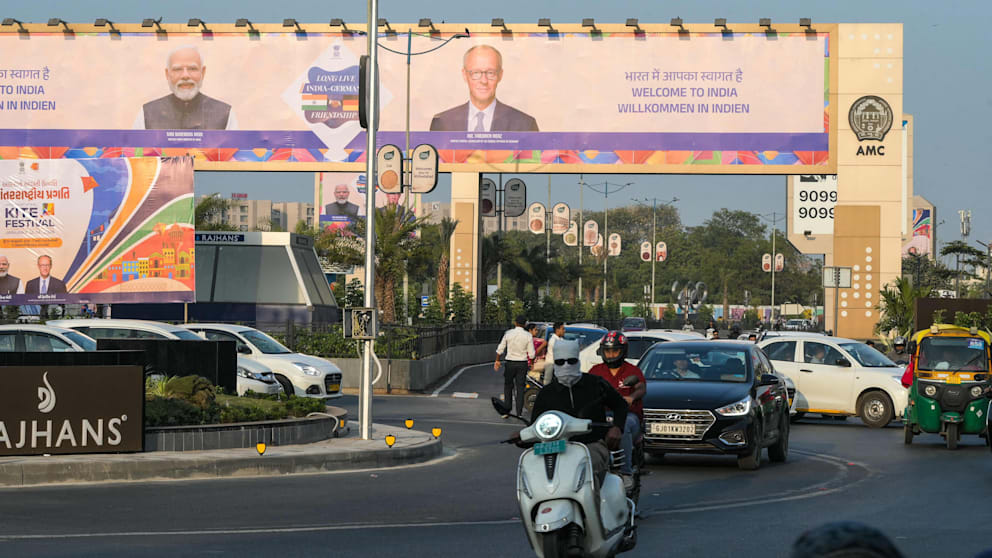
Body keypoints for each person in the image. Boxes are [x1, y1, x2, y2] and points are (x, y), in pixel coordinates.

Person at [528, 340, 627, 487]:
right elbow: (535, 426)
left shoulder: (596, 384)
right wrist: (523, 435)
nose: (566, 366)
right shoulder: (546, 393)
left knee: (588, 471)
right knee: (533, 473)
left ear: (578, 360)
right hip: (555, 448)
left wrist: (617, 427)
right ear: (555, 362)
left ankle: (594, 507)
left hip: (591, 444)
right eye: (561, 362)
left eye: (571, 361)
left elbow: (620, 405)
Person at [429, 45, 539, 132]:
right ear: (464, 75)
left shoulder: (525, 125)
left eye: (490, 73)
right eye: (476, 73)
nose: (484, 81)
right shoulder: (442, 123)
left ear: (500, 75)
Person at [589, 331, 646, 488]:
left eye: (615, 350)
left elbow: (640, 387)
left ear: (623, 351)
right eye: (607, 351)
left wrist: (631, 397)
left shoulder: (632, 371)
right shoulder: (596, 371)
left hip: (628, 415)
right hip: (602, 415)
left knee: (624, 425)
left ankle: (626, 472)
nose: (611, 354)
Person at [135, 46, 237, 130]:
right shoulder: (147, 113)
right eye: (177, 69)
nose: (185, 75)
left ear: (203, 72)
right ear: (167, 74)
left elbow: (236, 153)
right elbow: (133, 153)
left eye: (192, 69)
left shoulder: (225, 114)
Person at [494, 315, 536, 418]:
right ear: (525, 324)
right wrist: (532, 363)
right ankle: (519, 413)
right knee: (520, 388)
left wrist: (497, 360)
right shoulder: (528, 336)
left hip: (510, 363)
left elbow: (501, 348)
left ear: (515, 323)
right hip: (522, 363)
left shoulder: (508, 334)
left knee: (508, 386)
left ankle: (506, 411)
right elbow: (531, 354)